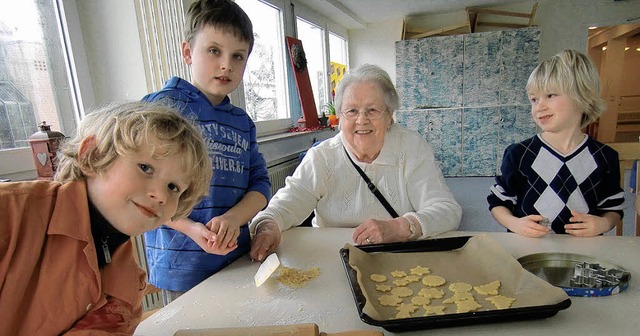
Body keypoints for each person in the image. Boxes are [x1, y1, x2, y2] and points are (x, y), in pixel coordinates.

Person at [0, 101, 211, 335]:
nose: (160, 195)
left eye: (173, 187)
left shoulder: (127, 287)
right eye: (145, 168)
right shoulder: (10, 212)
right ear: (93, 155)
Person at [249, 64, 462, 262]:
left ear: (390, 116)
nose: (361, 120)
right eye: (351, 111)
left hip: (398, 257)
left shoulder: (411, 148)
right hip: (335, 258)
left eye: (372, 110)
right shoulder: (322, 157)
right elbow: (285, 205)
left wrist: (401, 227)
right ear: (340, 117)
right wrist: (268, 226)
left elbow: (447, 210)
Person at [142, 0, 270, 303]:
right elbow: (142, 189)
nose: (226, 64)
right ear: (188, 52)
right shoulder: (161, 107)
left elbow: (261, 184)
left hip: (237, 259)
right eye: (214, 51)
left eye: (237, 56)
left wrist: (234, 219)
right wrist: (190, 228)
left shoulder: (243, 123)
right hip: (183, 266)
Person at [487, 49, 625, 238]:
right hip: (527, 251)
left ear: (582, 95)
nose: (539, 107)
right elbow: (498, 202)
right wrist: (515, 224)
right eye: (534, 99)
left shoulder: (606, 156)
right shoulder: (518, 153)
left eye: (550, 95)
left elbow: (614, 206)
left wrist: (603, 223)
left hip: (582, 254)